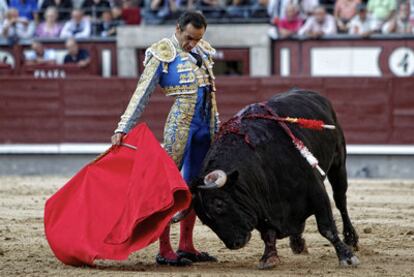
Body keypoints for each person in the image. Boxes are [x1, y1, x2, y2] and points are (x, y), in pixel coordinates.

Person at [111, 11, 219, 266]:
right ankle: (164, 248)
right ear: (178, 28)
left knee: (194, 184)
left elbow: (210, 93)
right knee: (169, 187)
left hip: (206, 126)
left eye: (198, 38)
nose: (193, 43)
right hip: (180, 127)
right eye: (189, 37)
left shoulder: (202, 50)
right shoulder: (162, 52)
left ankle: (186, 245)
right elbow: (141, 94)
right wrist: (122, 127)